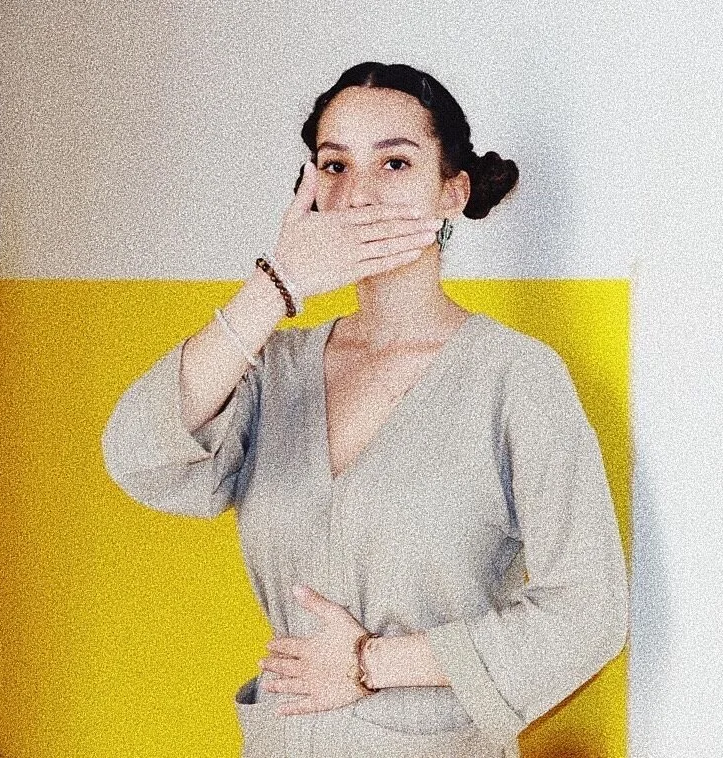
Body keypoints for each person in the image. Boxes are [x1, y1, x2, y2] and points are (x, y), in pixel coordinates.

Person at [101, 61, 628, 758]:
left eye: (395, 162)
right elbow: (137, 455)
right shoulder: (275, 370)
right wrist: (276, 286)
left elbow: (589, 612)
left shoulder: (515, 378)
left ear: (452, 190)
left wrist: (369, 663)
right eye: (335, 165)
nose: (360, 194)